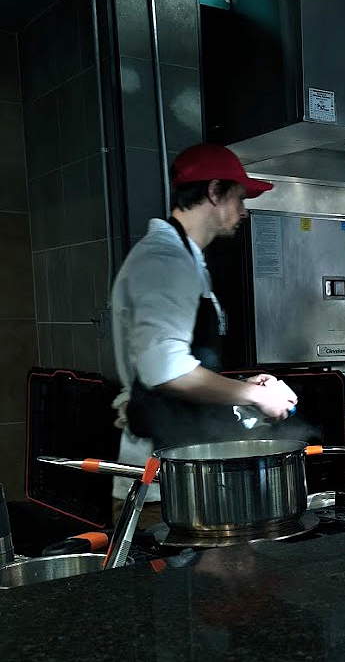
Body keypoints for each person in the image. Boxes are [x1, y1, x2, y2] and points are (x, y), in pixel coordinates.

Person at [110, 144, 298, 524]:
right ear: (214, 192)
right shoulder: (164, 260)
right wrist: (255, 396)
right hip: (163, 486)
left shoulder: (185, 260)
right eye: (240, 198)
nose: (244, 211)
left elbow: (180, 362)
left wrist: (240, 385)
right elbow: (167, 371)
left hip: (186, 470)